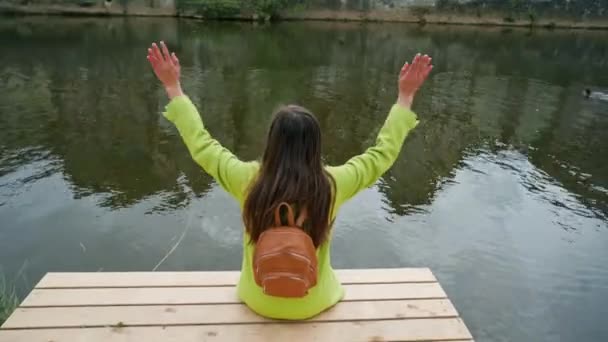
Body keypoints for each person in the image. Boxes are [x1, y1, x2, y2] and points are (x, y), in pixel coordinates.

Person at [147, 41, 433, 320]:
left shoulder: (247, 180)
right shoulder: (332, 185)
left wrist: (174, 87)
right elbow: (381, 155)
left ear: (271, 142)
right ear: (315, 147)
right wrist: (405, 96)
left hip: (258, 298)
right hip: (314, 302)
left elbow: (203, 145)